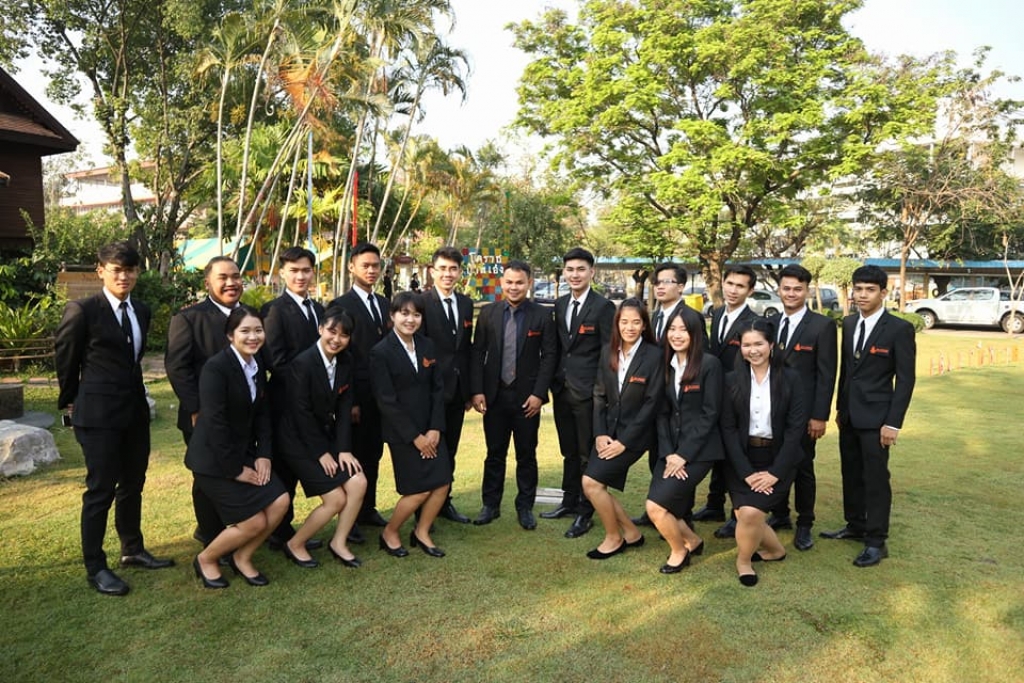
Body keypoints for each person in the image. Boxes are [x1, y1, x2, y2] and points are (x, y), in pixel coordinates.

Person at [55, 242, 174, 596]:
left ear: (138, 272)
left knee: (134, 483)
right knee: (100, 490)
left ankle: (132, 549)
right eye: (116, 269)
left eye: (130, 270)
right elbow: (66, 357)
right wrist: (70, 401)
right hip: (97, 415)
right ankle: (95, 567)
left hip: (135, 412)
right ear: (101, 271)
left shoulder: (142, 310)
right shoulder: (83, 310)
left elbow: (132, 360)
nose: (124, 276)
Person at [185, 306, 290, 589]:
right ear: (230, 335)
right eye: (245, 331)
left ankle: (242, 556)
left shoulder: (257, 365)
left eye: (258, 330)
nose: (253, 337)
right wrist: (235, 470)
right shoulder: (216, 368)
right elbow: (215, 424)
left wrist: (264, 455)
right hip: (213, 460)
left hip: (244, 453)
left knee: (280, 501)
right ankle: (206, 559)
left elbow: (263, 414)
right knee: (254, 522)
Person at [821, 265, 915, 567]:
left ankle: (876, 541)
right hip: (849, 415)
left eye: (870, 290)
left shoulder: (899, 329)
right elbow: (847, 372)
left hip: (877, 419)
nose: (862, 295)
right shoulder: (849, 324)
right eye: (858, 289)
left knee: (875, 479)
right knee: (850, 473)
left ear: (883, 293)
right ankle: (855, 525)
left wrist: (893, 423)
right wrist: (840, 409)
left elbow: (906, 380)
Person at [719, 319, 808, 587]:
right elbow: (728, 428)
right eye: (746, 345)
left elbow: (795, 430)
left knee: (750, 513)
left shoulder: (792, 379)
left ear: (771, 344)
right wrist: (746, 472)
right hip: (742, 458)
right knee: (746, 514)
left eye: (758, 343)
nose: (753, 350)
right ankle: (776, 550)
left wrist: (775, 473)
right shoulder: (731, 380)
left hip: (778, 458)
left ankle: (743, 561)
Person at [277, 306, 367, 568]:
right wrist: (321, 453)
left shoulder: (346, 361)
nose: (336, 339)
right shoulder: (302, 364)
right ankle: (295, 544)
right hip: (296, 441)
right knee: (335, 498)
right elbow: (300, 413)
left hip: (324, 436)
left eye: (344, 335)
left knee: (358, 482)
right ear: (320, 329)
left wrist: (344, 449)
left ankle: (339, 542)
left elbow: (344, 407)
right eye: (332, 331)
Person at [471, 260, 557, 530]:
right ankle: (490, 505)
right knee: (494, 453)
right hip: (494, 397)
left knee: (526, 455)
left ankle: (525, 507)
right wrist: (477, 390)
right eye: (509, 282)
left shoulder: (542, 315)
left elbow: (549, 356)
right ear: (502, 283)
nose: (514, 287)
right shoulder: (488, 313)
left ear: (529, 283)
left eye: (520, 282)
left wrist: (539, 394)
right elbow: (477, 353)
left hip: (527, 399)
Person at [166, 256, 244, 547]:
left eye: (235, 276)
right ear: (208, 283)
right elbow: (178, 367)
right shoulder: (189, 318)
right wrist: (197, 408)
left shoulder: (249, 315)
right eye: (223, 277)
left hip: (241, 414)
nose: (231, 283)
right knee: (208, 476)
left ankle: (236, 529)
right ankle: (209, 534)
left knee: (235, 471)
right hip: (203, 416)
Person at [540, 247, 615, 540]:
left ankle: (586, 510)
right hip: (562, 390)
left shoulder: (603, 307)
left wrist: (601, 391)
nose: (575, 275)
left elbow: (609, 352)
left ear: (591, 272)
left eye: (581, 269)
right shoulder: (559, 305)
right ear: (564, 272)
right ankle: (569, 501)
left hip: (589, 393)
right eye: (570, 269)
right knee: (568, 451)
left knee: (586, 454)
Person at [370, 292, 452, 558]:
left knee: (442, 483)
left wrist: (435, 428)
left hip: (431, 429)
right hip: (403, 434)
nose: (410, 319)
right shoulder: (380, 352)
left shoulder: (427, 345)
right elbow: (387, 402)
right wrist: (415, 437)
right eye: (404, 313)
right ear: (392, 316)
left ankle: (422, 531)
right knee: (417, 491)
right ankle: (390, 532)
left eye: (416, 314)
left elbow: (437, 389)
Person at [645, 307, 725, 574]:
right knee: (662, 507)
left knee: (655, 507)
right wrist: (669, 453)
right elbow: (662, 413)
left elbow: (710, 414)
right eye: (672, 329)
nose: (677, 335)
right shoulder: (665, 364)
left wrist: (684, 455)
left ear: (696, 333)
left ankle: (679, 552)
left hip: (700, 451)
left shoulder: (710, 365)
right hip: (670, 450)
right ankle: (693, 541)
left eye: (683, 329)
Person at [582, 299, 663, 560]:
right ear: (617, 323)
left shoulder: (655, 355)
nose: (630, 327)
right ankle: (631, 533)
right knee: (595, 485)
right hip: (608, 432)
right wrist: (600, 434)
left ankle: (614, 537)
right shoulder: (608, 351)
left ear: (644, 325)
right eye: (624, 321)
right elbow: (599, 395)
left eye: (636, 322)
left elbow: (651, 404)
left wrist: (624, 442)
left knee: (591, 483)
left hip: (636, 436)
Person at [766, 265, 838, 551]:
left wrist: (819, 415)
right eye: (786, 288)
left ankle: (805, 522)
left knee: (803, 466)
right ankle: (779, 513)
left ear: (807, 291)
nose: (791, 293)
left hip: (805, 414)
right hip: (772, 410)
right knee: (774, 461)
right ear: (779, 290)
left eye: (798, 289)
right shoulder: (770, 323)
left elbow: (826, 374)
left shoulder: (822, 326)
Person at [260, 246, 326, 551]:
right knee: (284, 469)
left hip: (314, 405)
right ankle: (278, 530)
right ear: (282, 273)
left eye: (306, 270)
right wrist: (310, 385)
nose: (301, 276)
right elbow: (276, 360)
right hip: (285, 403)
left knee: (301, 464)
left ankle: (284, 527)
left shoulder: (320, 310)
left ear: (313, 272)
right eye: (294, 270)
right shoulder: (274, 310)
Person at [632, 261, 708, 527]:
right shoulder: (654, 316)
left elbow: (699, 357)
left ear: (681, 286)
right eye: (657, 282)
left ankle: (682, 516)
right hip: (657, 398)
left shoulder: (691, 317)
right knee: (658, 456)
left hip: (683, 400)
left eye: (667, 281)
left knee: (681, 460)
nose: (660, 286)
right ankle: (658, 505)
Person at [329, 242, 391, 541]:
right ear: (351, 267)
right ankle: (349, 517)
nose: (371, 270)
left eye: (375, 265)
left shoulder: (384, 303)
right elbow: (340, 354)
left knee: (373, 453)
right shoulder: (340, 305)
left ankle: (368, 508)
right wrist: (349, 399)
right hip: (354, 394)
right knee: (350, 456)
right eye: (365, 265)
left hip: (381, 394)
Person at [695, 264, 758, 538]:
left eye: (740, 286)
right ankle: (714, 504)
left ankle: (737, 514)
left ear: (750, 291)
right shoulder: (718, 313)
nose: (733, 290)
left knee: (736, 455)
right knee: (718, 451)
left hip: (740, 397)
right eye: (730, 283)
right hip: (715, 394)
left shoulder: (753, 322)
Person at [418, 246, 474, 524]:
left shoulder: (466, 304)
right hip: (429, 392)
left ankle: (444, 502)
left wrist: (469, 390)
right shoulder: (420, 303)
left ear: (460, 272)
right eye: (442, 268)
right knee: (429, 450)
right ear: (432, 271)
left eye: (453, 269)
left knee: (450, 449)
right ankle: (422, 508)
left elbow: (465, 350)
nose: (447, 274)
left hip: (457, 392)